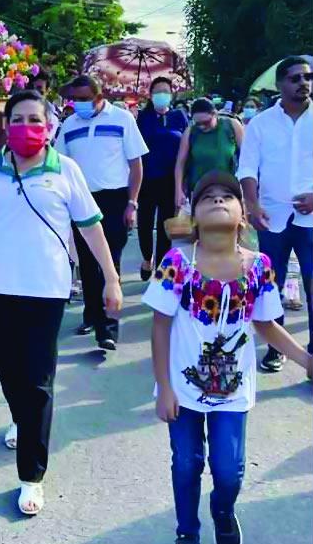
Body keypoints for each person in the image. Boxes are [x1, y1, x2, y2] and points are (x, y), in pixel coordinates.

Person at [0, 91, 123, 516]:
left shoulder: (67, 170)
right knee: (9, 370)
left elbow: (92, 228)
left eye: (34, 118)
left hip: (46, 290)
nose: (26, 127)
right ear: (6, 125)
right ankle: (20, 417)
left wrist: (111, 279)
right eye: (18, 119)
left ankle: (31, 476)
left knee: (38, 381)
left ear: (48, 125)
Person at [144, 171, 312, 544]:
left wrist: (307, 360)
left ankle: (222, 508)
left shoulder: (260, 267)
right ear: (195, 217)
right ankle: (187, 537)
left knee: (228, 470)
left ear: (242, 215)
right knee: (186, 464)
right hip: (182, 390)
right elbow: (161, 325)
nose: (218, 201)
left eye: (227, 197)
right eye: (208, 198)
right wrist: (164, 386)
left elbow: (267, 325)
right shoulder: (176, 263)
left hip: (234, 392)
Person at [55, 75, 148, 351]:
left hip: (115, 199)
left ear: (98, 97)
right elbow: (59, 163)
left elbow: (136, 165)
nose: (79, 104)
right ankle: (91, 315)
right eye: (75, 99)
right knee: (86, 262)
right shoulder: (69, 125)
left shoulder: (122, 119)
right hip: (81, 200)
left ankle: (108, 327)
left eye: (84, 99)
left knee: (111, 262)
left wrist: (132, 203)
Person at [237, 56, 313, 372]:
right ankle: (276, 348)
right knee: (270, 285)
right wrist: (252, 206)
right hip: (271, 217)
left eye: (308, 77)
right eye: (295, 78)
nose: (304, 83)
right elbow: (247, 168)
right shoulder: (260, 124)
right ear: (280, 84)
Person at [136, 77, 189, 282]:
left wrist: (183, 183)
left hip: (171, 180)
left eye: (166, 91)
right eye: (158, 91)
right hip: (147, 179)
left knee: (167, 225)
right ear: (150, 95)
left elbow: (187, 144)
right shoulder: (142, 118)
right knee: (145, 224)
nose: (162, 95)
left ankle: (161, 267)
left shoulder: (179, 116)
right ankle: (146, 258)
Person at [174, 98, 246, 211]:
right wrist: (178, 191)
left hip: (228, 189)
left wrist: (246, 187)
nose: (202, 126)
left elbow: (247, 157)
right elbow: (180, 164)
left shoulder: (232, 126)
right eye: (198, 123)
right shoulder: (190, 132)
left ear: (215, 114)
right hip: (199, 190)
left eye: (206, 122)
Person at [27, 66, 62, 141]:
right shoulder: (15, 113)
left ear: (47, 91)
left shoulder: (51, 119)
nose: (34, 94)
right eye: (31, 89)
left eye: (40, 91)